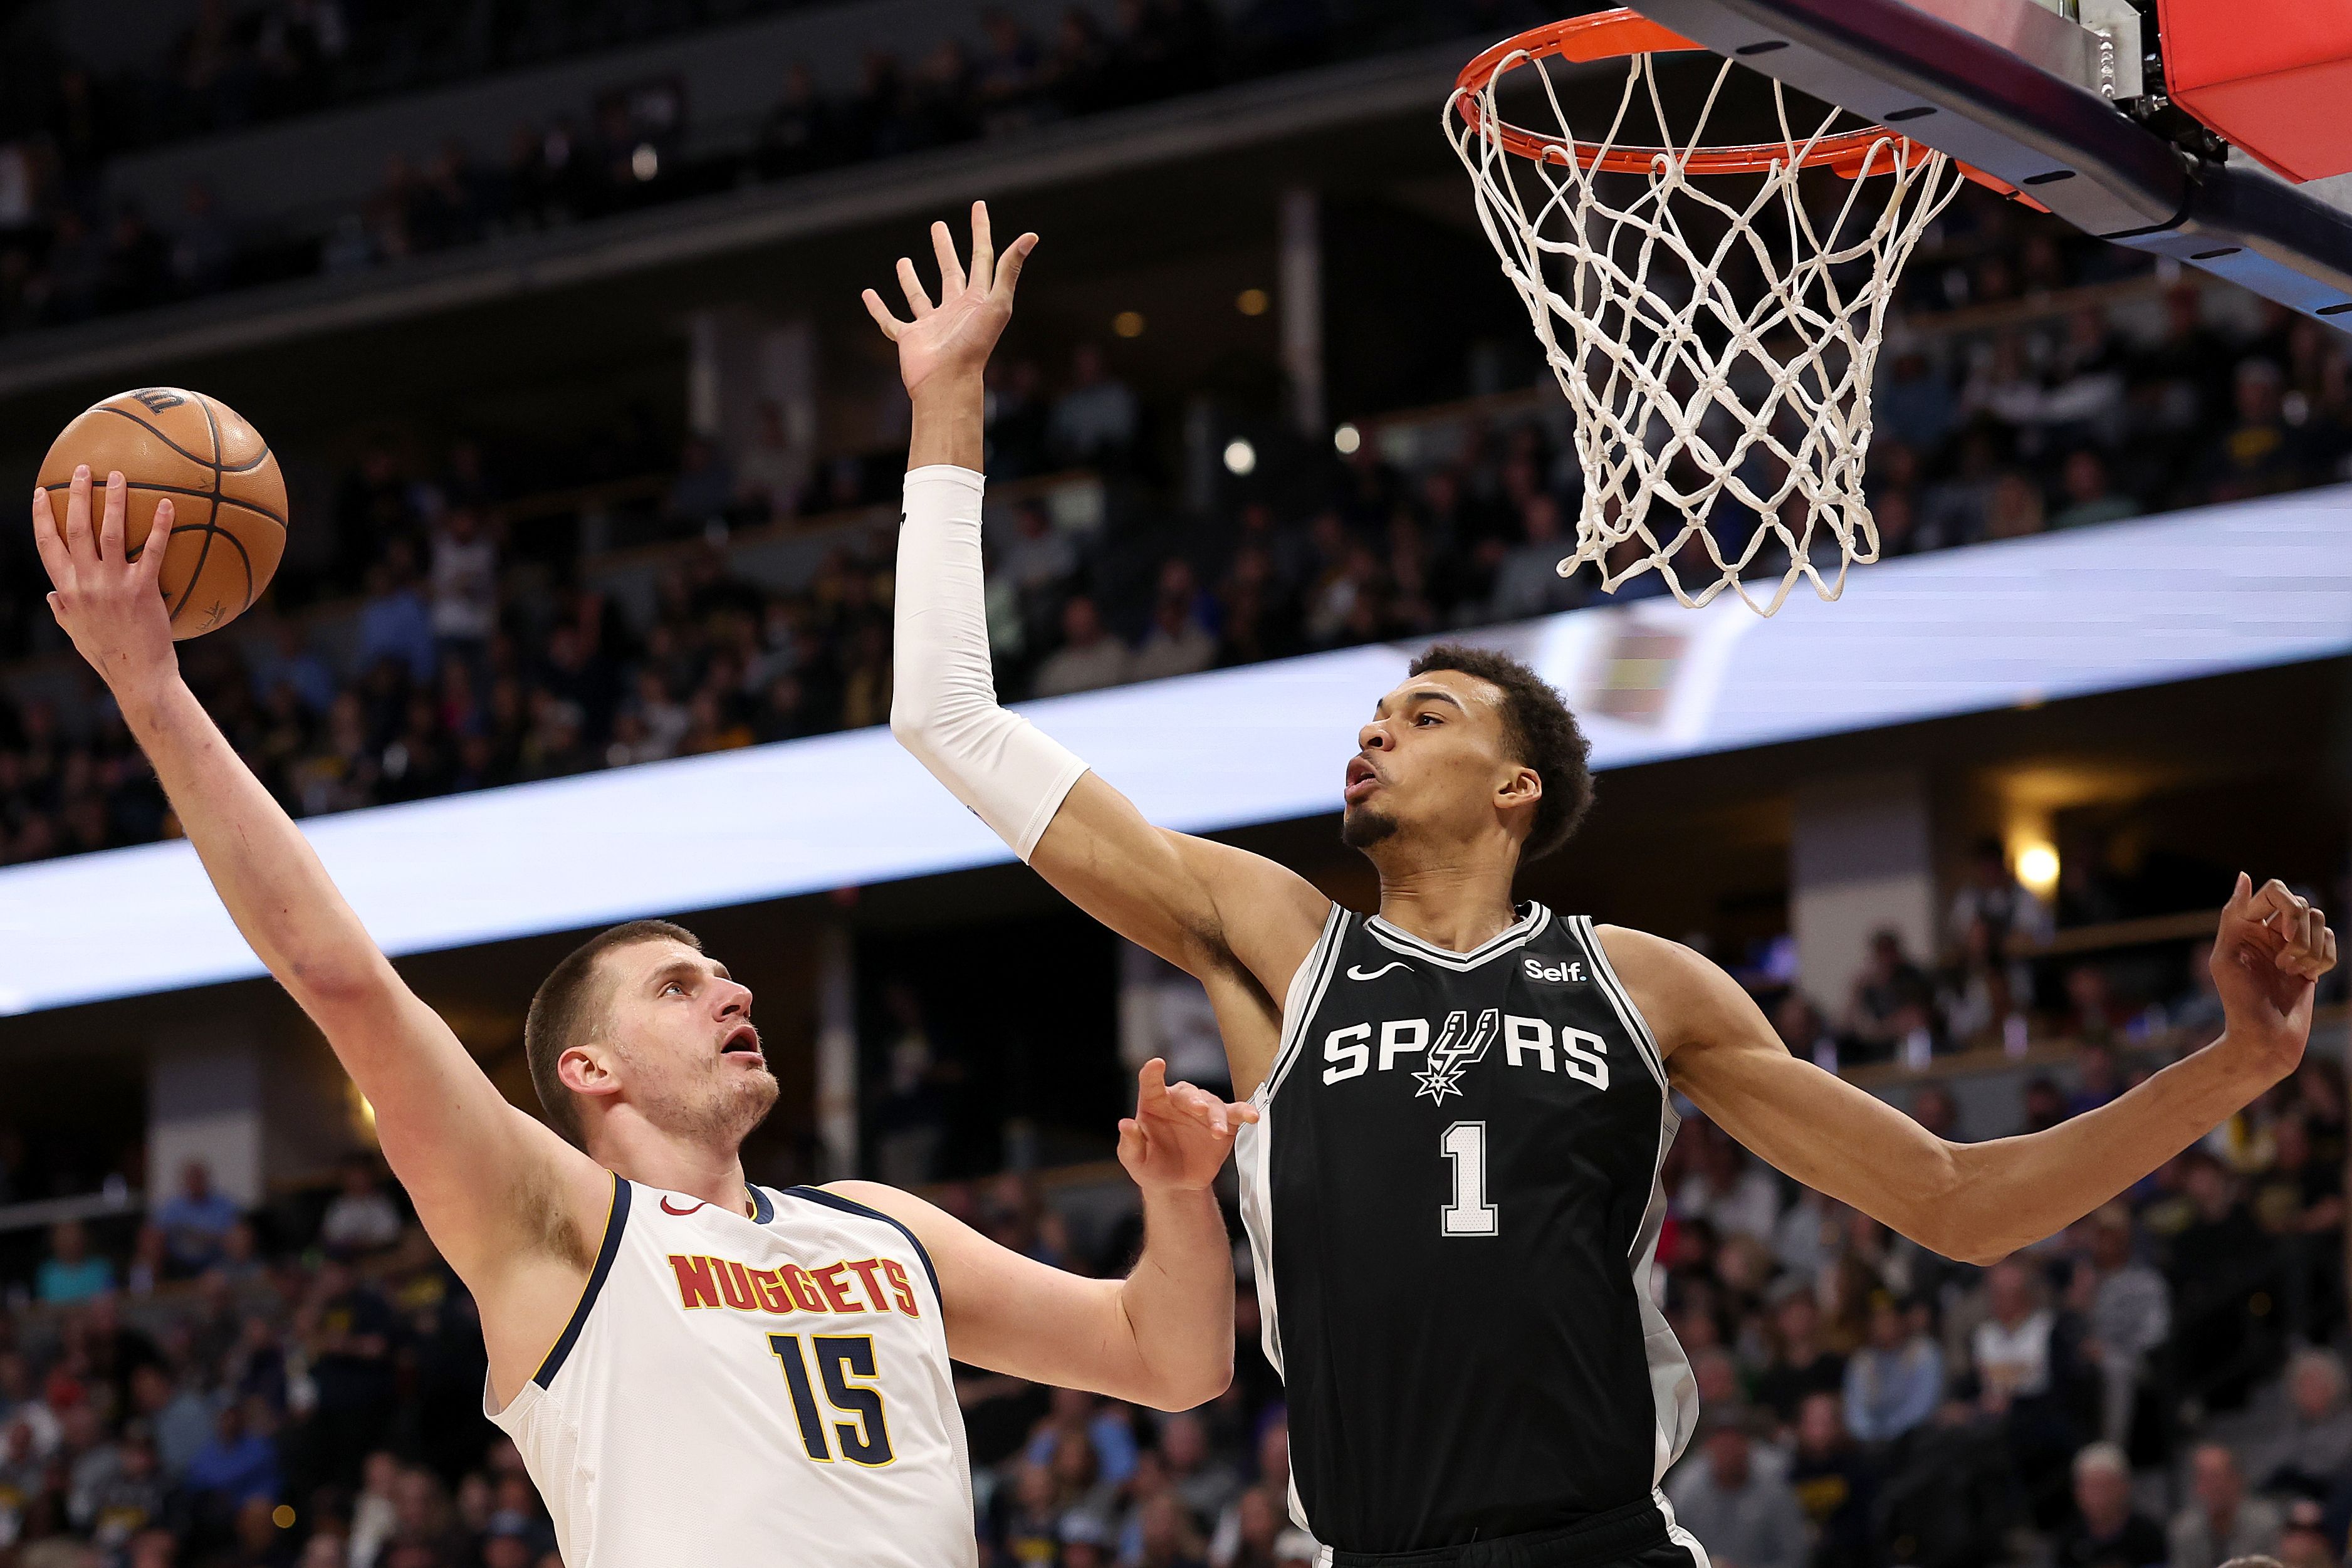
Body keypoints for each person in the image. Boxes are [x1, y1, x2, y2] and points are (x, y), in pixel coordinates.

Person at [875, 202, 2338, 1568]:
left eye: (1430, 712)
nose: (1379, 724)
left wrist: (2237, 1064)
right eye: (1381, 709)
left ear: (1519, 790)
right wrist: (947, 400)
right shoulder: (1276, 941)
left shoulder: (1644, 986)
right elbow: (948, 724)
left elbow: (1956, 1201)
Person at [31, 461, 1250, 1567]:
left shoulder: (878, 1228)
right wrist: (150, 688)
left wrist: (1179, 1200)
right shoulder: (552, 1225)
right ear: (589, 1069)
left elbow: (1173, 1362)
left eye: (722, 972)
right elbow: (340, 977)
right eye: (677, 984)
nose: (732, 990)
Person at [2053, 1441, 2166, 1568]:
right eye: (2091, 1487)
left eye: (2105, 1487)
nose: (2098, 1497)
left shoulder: (2147, 1537)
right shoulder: (2069, 1540)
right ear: (2078, 1492)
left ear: (2124, 1487)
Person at [2171, 1445, 2284, 1568]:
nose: (2212, 1487)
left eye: (2216, 1477)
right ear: (2196, 1485)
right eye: (2204, 1479)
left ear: (2237, 1479)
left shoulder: (2266, 1523)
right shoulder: (2184, 1531)